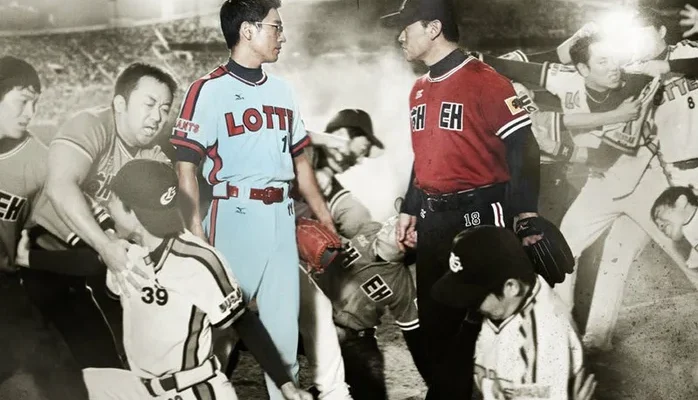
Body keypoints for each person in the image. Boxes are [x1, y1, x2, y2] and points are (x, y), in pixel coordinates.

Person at [170, 1, 333, 398]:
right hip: (234, 213)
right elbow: (185, 165)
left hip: (281, 214)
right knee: (217, 327)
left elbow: (300, 161)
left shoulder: (283, 90)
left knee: (283, 337)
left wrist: (325, 216)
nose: (283, 36)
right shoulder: (207, 89)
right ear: (247, 30)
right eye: (276, 27)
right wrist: (195, 233)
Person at [380, 0, 542, 397]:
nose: (400, 36)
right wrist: (410, 208)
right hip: (433, 219)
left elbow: (524, 149)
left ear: (433, 28)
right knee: (436, 323)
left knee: (483, 324)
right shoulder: (419, 89)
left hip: (479, 214)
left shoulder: (486, 81)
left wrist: (525, 216)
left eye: (406, 26)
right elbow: (426, 157)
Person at [81, 159, 312, 400]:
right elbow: (96, 281)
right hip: (141, 387)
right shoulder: (126, 253)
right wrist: (101, 249)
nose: (107, 206)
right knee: (76, 381)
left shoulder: (198, 260)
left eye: (113, 199)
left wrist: (285, 384)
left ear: (133, 213)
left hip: (192, 390)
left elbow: (244, 322)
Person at [23, 62, 178, 368]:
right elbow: (59, 186)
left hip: (96, 256)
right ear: (120, 103)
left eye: (164, 108)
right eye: (149, 104)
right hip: (44, 242)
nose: (157, 117)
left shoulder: (155, 155)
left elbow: (156, 226)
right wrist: (106, 245)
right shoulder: (91, 124)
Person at [0, 55, 89, 400]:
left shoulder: (39, 160)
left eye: (35, 104)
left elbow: (77, 231)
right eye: (23, 101)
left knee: (58, 384)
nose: (30, 113)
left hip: (5, 296)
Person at [431, 226, 592, 400]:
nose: (469, 304)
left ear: (511, 287)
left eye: (475, 297)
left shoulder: (542, 340)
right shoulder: (507, 303)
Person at [297, 108, 383, 238]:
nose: (359, 161)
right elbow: (282, 137)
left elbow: (356, 216)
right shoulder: (304, 151)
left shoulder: (330, 184)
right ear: (340, 133)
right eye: (362, 149)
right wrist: (332, 140)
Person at [651, 186, 698, 269]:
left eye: (658, 212)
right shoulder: (687, 231)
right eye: (657, 225)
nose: (660, 226)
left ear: (681, 201)